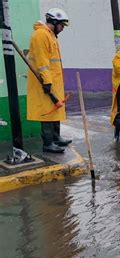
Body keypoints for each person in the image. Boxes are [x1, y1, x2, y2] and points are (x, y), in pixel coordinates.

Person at [26, 8, 71, 153]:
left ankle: (56, 137)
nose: (63, 28)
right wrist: (47, 81)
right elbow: (43, 61)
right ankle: (48, 143)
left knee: (55, 108)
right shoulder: (41, 35)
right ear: (54, 22)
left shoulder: (50, 36)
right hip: (46, 81)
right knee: (47, 111)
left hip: (53, 80)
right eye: (62, 25)